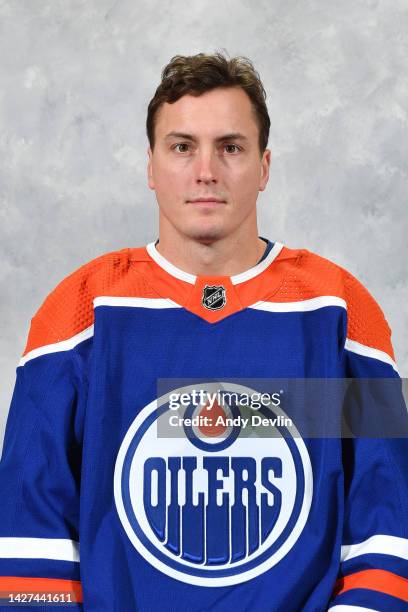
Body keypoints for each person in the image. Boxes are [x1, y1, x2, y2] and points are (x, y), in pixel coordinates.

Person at [0, 51, 407, 611]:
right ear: (150, 165)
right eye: (182, 146)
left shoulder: (338, 310)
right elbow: (30, 533)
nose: (206, 171)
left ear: (264, 166)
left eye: (231, 147)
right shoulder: (80, 311)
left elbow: (385, 528)